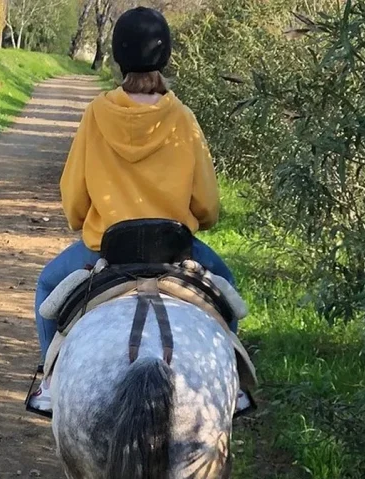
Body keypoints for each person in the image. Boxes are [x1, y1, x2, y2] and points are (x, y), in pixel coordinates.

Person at [27, 6, 250, 415]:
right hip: (174, 250)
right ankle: (232, 387)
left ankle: (48, 380)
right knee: (227, 284)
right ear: (164, 56)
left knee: (46, 287)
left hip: (107, 251)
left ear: (118, 57)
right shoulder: (183, 119)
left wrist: (83, 219)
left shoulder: (97, 114)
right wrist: (196, 214)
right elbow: (207, 203)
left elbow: (74, 197)